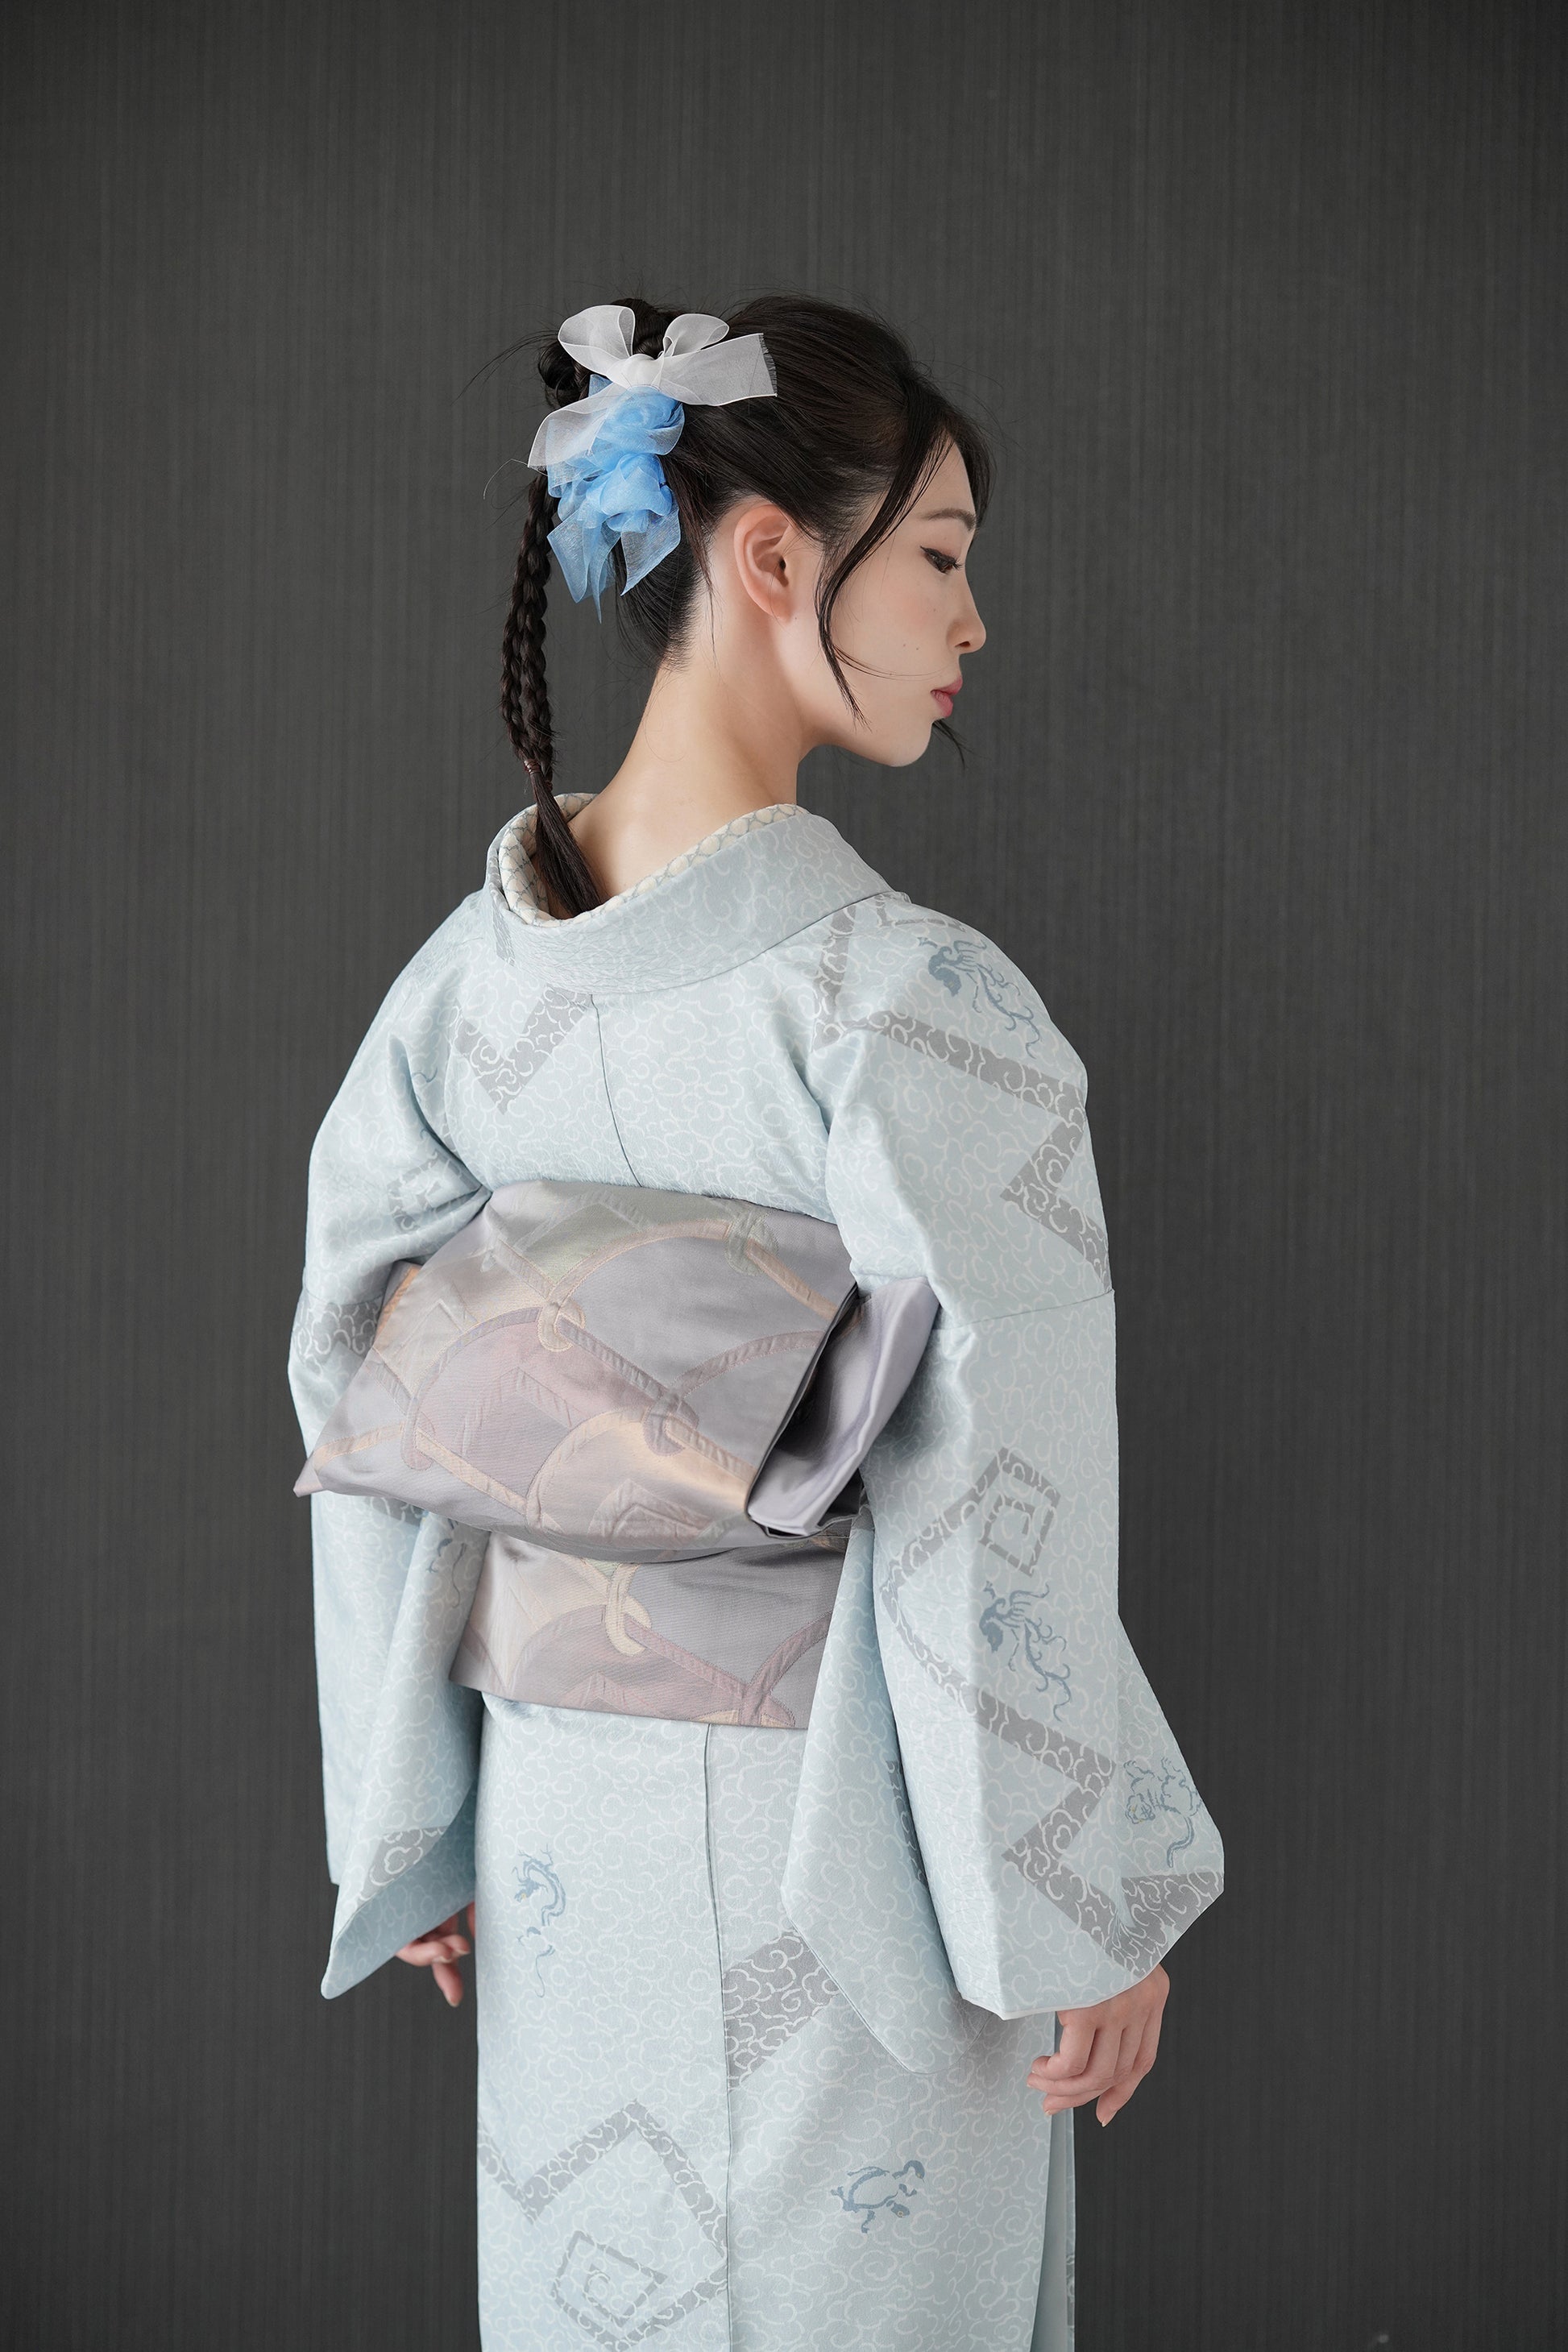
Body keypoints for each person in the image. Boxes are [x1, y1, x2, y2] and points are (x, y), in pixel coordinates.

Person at [288, 295, 1222, 2351]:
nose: (971, 620)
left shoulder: (461, 994)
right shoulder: (900, 1000)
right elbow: (994, 1472)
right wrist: (1071, 1903)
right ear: (777, 556)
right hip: (857, 1835)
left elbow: (353, 1389)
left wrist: (407, 1805)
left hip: (556, 1814)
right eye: (941, 556)